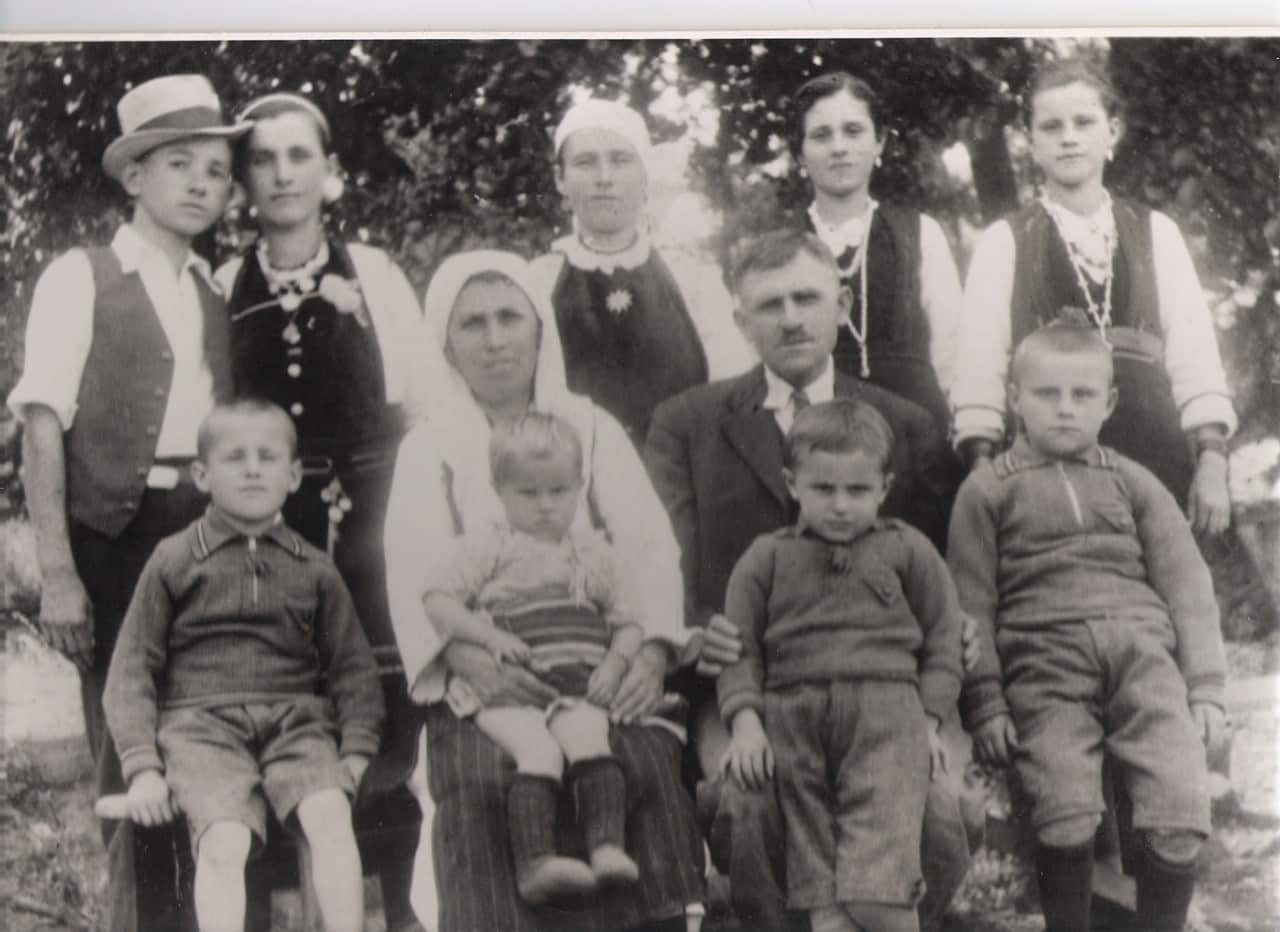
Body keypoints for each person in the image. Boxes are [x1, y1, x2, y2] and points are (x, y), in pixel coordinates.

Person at [645, 230, 968, 931]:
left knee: (941, 811)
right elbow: (664, 560)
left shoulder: (905, 424)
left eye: (807, 297)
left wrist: (938, 682)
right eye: (769, 304)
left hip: (886, 693)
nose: (790, 317)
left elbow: (933, 571)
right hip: (749, 684)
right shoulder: (687, 424)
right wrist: (700, 632)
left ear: (841, 303)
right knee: (748, 802)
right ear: (741, 321)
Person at [385, 250, 705, 932]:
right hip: (488, 671)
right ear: (446, 340)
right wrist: (468, 660)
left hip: (596, 665)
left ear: (540, 330)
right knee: (477, 782)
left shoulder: (589, 427)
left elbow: (649, 547)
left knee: (641, 761)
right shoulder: (429, 448)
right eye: (472, 324)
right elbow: (416, 572)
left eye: (510, 318)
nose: (495, 339)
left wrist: (648, 653)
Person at [6, 73, 246, 930]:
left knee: (208, 741)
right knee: (128, 753)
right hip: (112, 536)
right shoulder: (82, 276)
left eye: (216, 171)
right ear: (134, 176)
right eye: (178, 163)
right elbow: (42, 428)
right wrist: (59, 575)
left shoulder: (215, 292)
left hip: (202, 536)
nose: (198, 184)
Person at [215, 92, 429, 930]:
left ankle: (404, 905)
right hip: (268, 526)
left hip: (373, 520)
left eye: (297, 156)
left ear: (331, 176)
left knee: (383, 710)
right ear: (243, 186)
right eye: (262, 161)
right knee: (280, 712)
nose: (281, 174)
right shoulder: (224, 286)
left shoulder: (372, 273)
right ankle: (291, 911)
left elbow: (414, 403)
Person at [949, 323, 1226, 932]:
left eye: (1083, 394)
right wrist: (987, 701)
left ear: (1110, 403)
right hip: (1042, 661)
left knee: (1179, 804)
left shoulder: (1133, 481)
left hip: (1142, 653)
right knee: (1065, 807)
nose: (1066, 409)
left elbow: (1187, 583)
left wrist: (1205, 685)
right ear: (1014, 399)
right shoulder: (987, 490)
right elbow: (970, 605)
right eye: (1047, 393)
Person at [103, 399, 385, 932]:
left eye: (268, 456)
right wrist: (143, 768)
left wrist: (357, 749)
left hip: (297, 723)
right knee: (225, 839)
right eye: (235, 457)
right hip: (201, 728)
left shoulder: (313, 567)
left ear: (294, 474)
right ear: (202, 475)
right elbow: (131, 670)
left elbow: (352, 666)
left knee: (329, 814)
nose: (253, 468)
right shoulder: (174, 559)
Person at [951, 56, 1236, 535]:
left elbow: (1195, 355)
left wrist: (1211, 458)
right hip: (1048, 459)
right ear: (1032, 143)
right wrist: (981, 462)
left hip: (1157, 453)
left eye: (1084, 122)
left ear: (1113, 132)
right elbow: (979, 365)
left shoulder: (1154, 232)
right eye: (1051, 126)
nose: (1068, 137)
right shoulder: (1006, 240)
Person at [720, 399, 963, 932]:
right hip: (791, 709)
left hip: (886, 711)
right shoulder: (766, 557)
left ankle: (889, 910)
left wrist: (928, 720)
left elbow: (945, 636)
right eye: (823, 490)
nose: (840, 506)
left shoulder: (909, 549)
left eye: (857, 491)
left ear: (884, 486)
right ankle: (825, 916)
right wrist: (745, 720)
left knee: (883, 838)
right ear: (791, 483)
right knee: (806, 832)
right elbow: (738, 647)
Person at [422, 412, 654, 903]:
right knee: (539, 752)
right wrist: (485, 636)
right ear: (499, 490)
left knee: (593, 743)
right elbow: (437, 599)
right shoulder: (490, 546)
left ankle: (607, 846)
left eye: (559, 491)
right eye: (528, 494)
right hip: (509, 690)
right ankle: (534, 865)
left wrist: (614, 665)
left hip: (578, 687)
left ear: (579, 485)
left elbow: (629, 620)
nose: (545, 506)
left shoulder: (594, 554)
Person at [529, 98, 754, 444]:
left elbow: (734, 393)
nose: (604, 178)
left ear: (645, 174)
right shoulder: (538, 281)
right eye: (585, 163)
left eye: (620, 161)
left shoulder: (691, 278)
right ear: (561, 179)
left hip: (676, 480)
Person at [793, 71, 963, 435]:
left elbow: (953, 352)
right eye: (822, 135)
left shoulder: (920, 234)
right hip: (819, 438)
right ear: (801, 154)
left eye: (853, 131)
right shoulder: (785, 247)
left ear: (880, 142)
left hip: (918, 430)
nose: (839, 147)